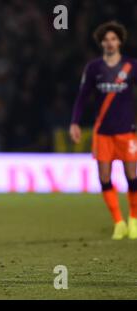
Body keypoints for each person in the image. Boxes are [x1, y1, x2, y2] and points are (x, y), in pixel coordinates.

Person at [70, 21, 137, 240]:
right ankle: (118, 222)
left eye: (113, 39)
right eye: (106, 39)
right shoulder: (94, 68)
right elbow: (82, 97)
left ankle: (134, 221)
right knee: (105, 177)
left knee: (132, 176)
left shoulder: (131, 65)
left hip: (127, 130)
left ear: (119, 41)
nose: (110, 42)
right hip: (103, 132)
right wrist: (75, 122)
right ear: (101, 42)